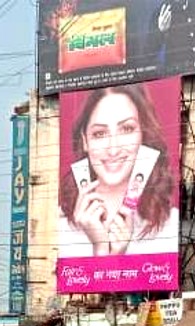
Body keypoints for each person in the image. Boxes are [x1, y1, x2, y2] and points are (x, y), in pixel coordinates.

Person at [58, 83, 178, 257]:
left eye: (127, 129)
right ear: (85, 141)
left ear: (143, 136)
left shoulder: (170, 226)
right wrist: (101, 250)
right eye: (100, 133)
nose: (113, 149)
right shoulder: (58, 229)